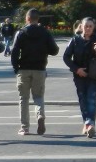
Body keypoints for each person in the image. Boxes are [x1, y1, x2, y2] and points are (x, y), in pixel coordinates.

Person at [10, 8, 59, 136]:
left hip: (24, 68)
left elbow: (14, 52)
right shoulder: (45, 32)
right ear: (38, 19)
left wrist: (16, 68)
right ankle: (40, 115)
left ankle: (25, 127)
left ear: (27, 19)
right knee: (38, 96)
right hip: (40, 69)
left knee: (23, 99)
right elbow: (55, 50)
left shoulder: (21, 33)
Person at [62, 16, 96, 138]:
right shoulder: (75, 40)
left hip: (94, 75)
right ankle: (87, 123)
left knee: (91, 99)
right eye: (86, 26)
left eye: (90, 26)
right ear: (81, 26)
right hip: (79, 75)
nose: (88, 28)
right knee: (83, 100)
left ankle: (90, 124)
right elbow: (66, 57)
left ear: (94, 28)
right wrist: (76, 69)